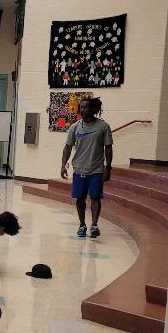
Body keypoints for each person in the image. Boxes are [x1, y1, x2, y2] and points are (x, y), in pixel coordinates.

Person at [60, 97, 113, 238]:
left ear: (94, 109)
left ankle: (94, 224)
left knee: (95, 197)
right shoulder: (75, 127)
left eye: (85, 107)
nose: (82, 110)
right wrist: (63, 165)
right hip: (79, 169)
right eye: (81, 107)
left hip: (96, 169)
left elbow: (108, 148)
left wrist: (108, 167)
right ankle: (82, 224)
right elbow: (67, 147)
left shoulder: (103, 127)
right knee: (80, 198)